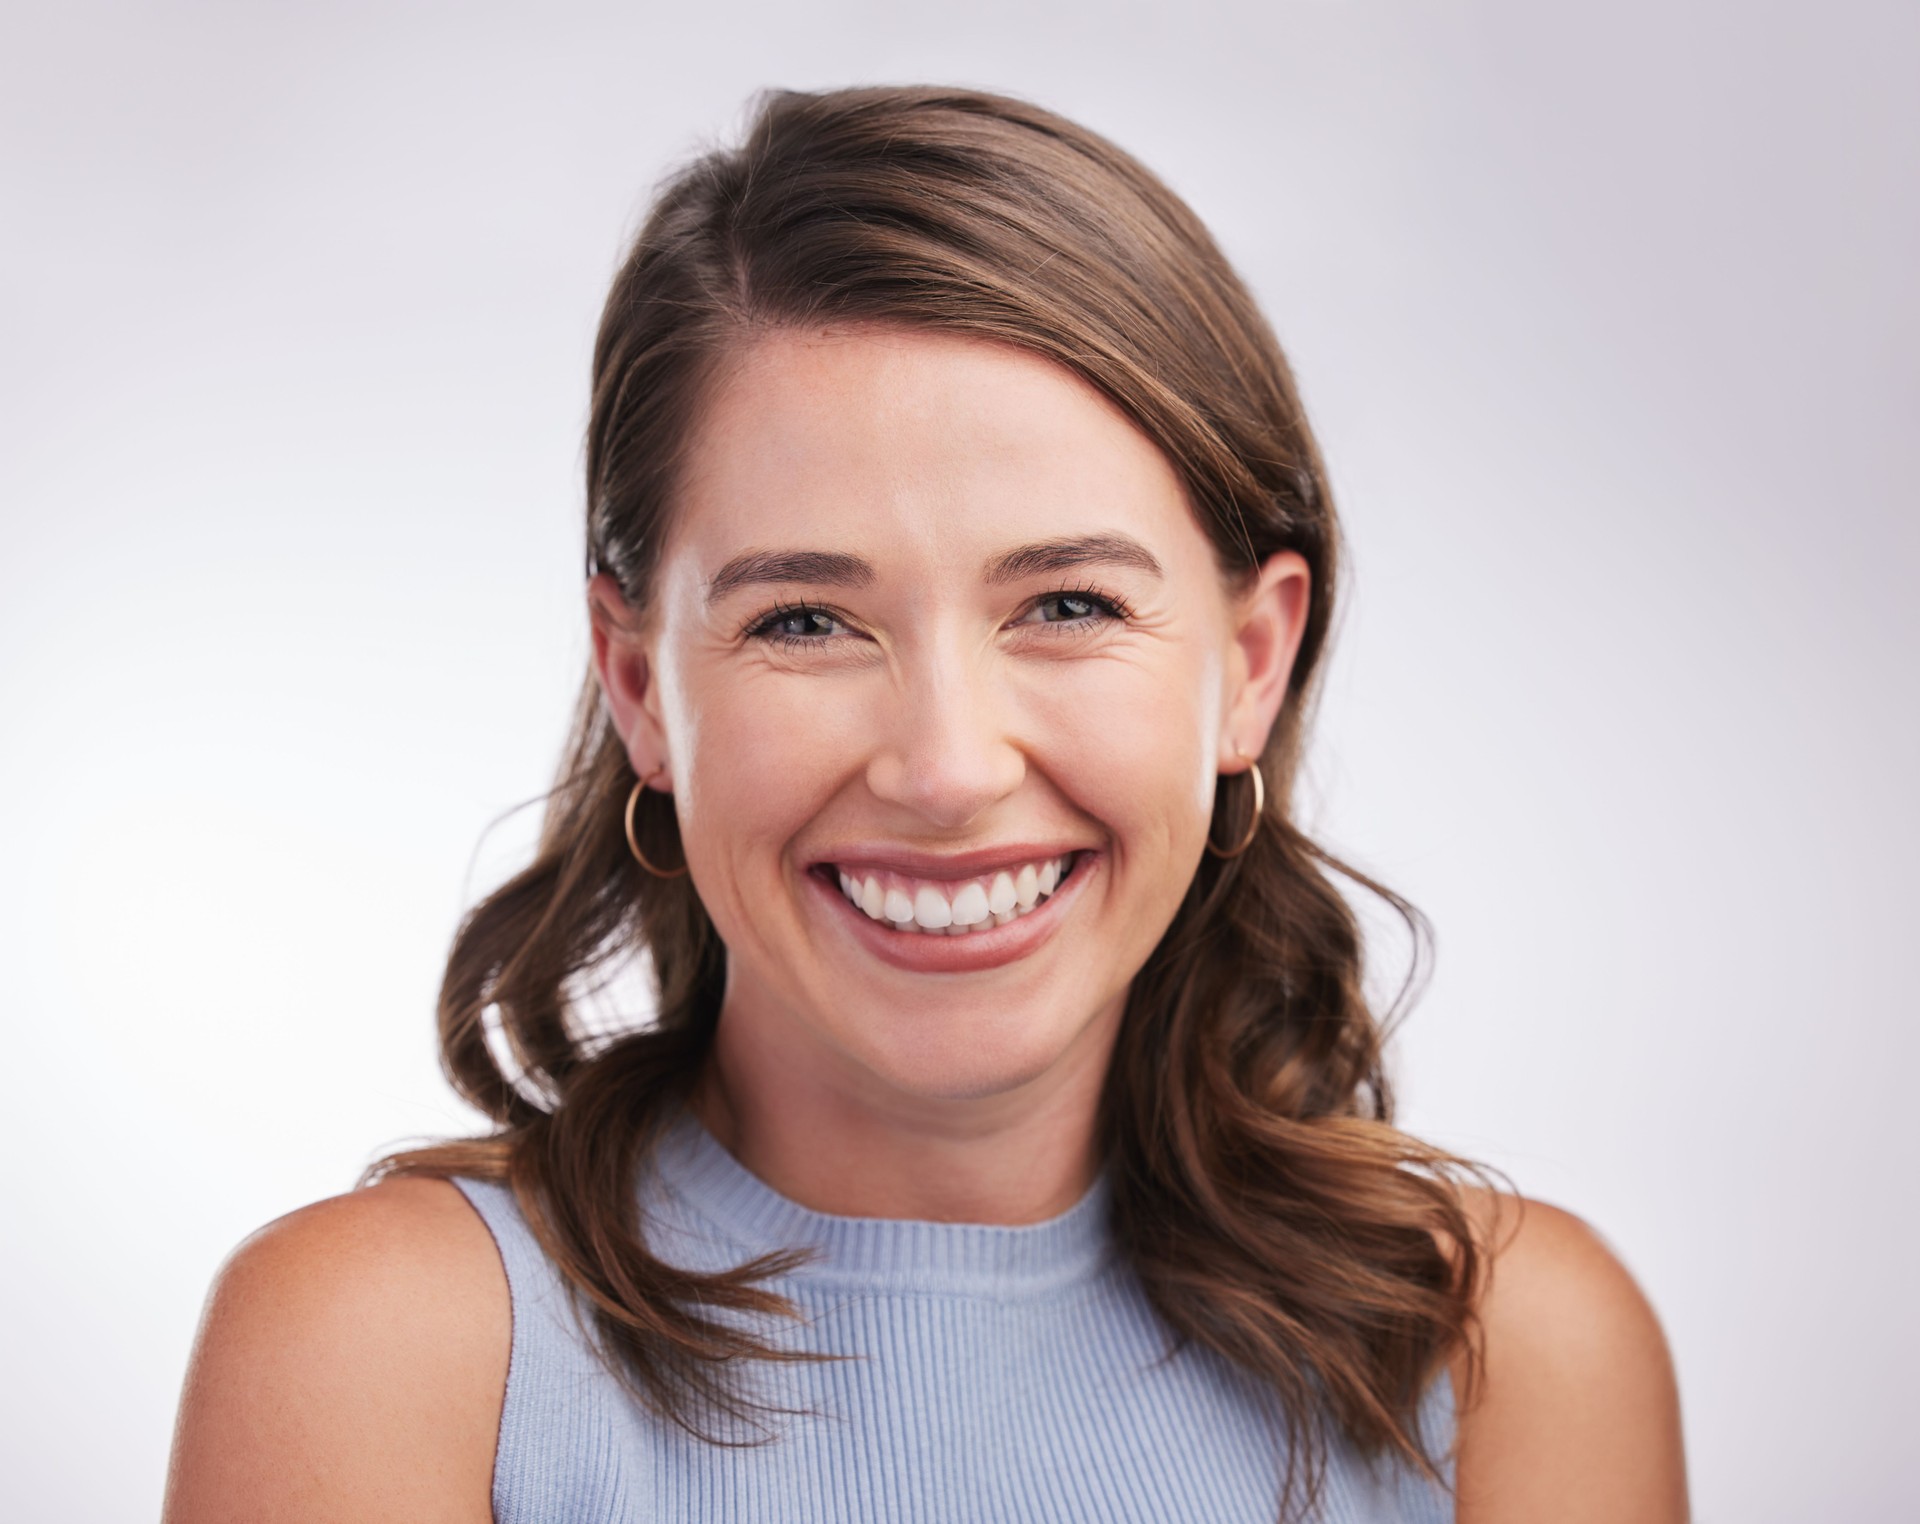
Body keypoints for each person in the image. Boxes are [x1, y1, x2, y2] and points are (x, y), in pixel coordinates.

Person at [162, 85, 1687, 1523]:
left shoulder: (1503, 1357)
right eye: (806, 623)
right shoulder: (389, 1357)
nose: (947, 771)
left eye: (1069, 604)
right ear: (639, 689)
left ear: (1250, 661)